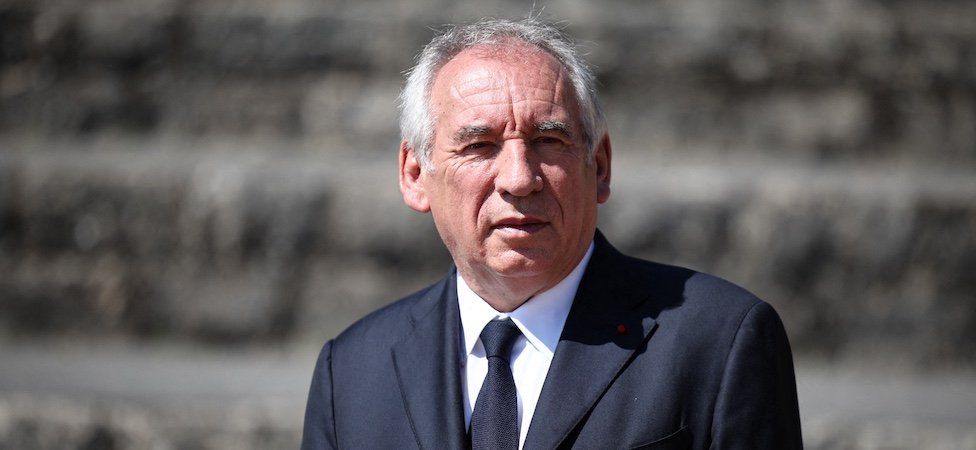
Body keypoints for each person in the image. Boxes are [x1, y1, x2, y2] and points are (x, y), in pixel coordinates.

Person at [302, 18, 802, 450]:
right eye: (479, 146)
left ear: (599, 166)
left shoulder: (719, 340)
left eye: (548, 140)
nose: (519, 178)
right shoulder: (350, 372)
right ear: (415, 175)